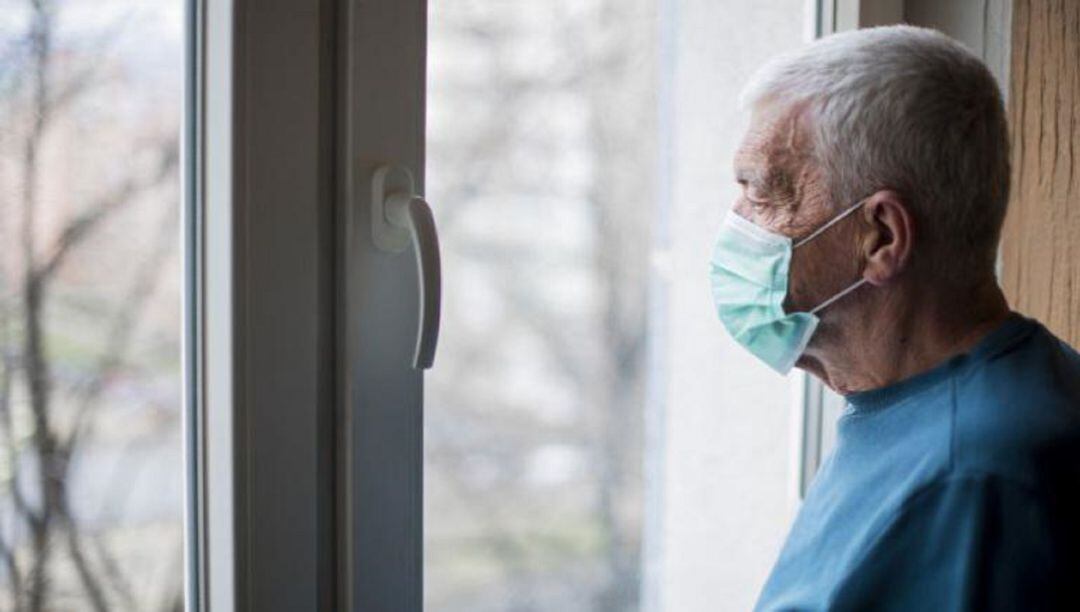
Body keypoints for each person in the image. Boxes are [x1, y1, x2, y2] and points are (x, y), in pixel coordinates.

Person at [708, 25, 1080, 610]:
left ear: (880, 236)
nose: (737, 224)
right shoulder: (915, 405)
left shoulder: (973, 477)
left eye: (761, 194)